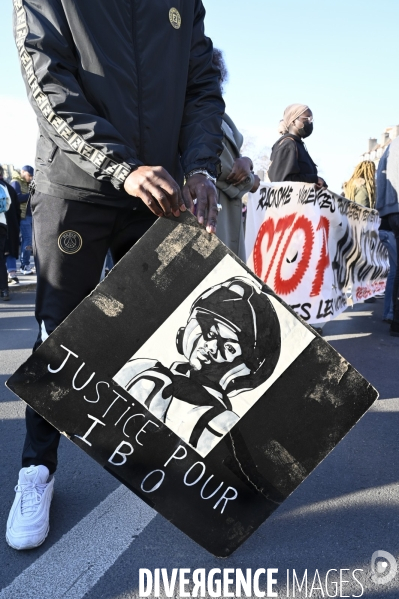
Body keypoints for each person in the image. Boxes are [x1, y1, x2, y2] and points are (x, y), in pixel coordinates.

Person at [7, 0, 224, 551]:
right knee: (59, 337)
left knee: (171, 332)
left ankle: (179, 468)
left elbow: (203, 85)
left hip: (159, 192)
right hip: (76, 187)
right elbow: (46, 83)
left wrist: (200, 164)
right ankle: (37, 470)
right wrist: (119, 167)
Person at [115, 276, 281, 456]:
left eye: (229, 347)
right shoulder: (141, 369)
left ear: (242, 372)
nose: (211, 347)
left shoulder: (220, 424)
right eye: (210, 331)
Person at [211, 49, 260, 261]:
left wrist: (247, 162)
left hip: (228, 217)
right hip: (210, 217)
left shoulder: (223, 117)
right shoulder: (193, 112)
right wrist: (250, 179)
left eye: (217, 76)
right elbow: (223, 170)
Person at [267, 104, 327, 189]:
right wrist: (314, 179)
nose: (310, 123)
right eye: (307, 119)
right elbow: (281, 181)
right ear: (293, 121)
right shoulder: (288, 145)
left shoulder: (298, 145)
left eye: (311, 119)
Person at [376, 138, 399, 336]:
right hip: (395, 210)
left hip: (391, 212)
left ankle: (393, 316)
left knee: (396, 269)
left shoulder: (391, 147)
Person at [10, 166, 34, 275]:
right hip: (23, 216)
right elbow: (17, 198)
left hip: (30, 215)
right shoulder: (16, 182)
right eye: (29, 175)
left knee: (29, 240)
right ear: (23, 172)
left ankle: (26, 264)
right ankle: (24, 265)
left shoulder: (26, 183)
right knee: (27, 239)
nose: (31, 178)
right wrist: (31, 194)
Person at [0, 166, 21, 286]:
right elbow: (15, 208)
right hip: (7, 225)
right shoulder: (9, 188)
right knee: (9, 252)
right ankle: (11, 276)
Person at [378, 216, 397, 323]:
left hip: (388, 231)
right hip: (390, 232)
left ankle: (389, 313)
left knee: (394, 273)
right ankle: (391, 313)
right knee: (395, 273)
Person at [0, 179, 11, 300]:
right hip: (1, 224)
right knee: (0, 259)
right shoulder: (2, 186)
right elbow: (8, 205)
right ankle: (4, 290)